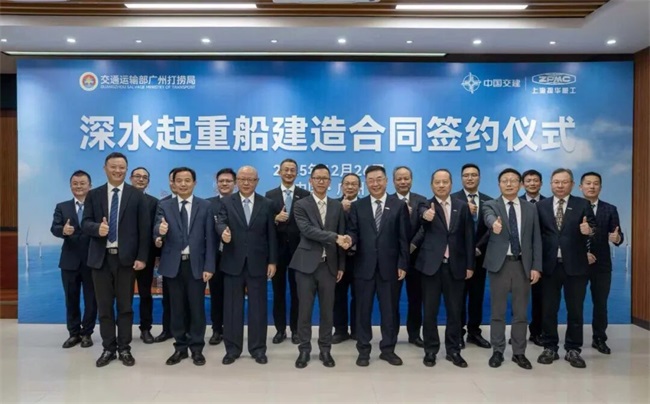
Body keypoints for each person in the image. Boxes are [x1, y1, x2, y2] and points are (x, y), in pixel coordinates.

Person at [82, 152, 150, 367]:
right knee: (104, 307)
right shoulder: (93, 195)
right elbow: (85, 223)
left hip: (126, 261)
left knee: (125, 307)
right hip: (100, 260)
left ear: (126, 170)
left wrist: (142, 257)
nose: (117, 171)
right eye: (113, 167)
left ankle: (125, 348)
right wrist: (97, 228)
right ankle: (108, 348)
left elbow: (144, 230)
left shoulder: (136, 195)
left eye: (121, 167)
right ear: (105, 168)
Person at [346, 165, 409, 367]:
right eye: (371, 180)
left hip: (390, 268)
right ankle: (363, 350)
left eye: (379, 179)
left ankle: (388, 350)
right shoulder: (358, 206)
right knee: (362, 311)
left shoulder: (398, 205)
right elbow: (353, 231)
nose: (375, 184)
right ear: (366, 183)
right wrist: (349, 240)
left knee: (390, 311)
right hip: (363, 267)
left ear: (386, 181)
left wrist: (403, 263)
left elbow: (403, 238)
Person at [154, 167, 216, 366]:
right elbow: (156, 229)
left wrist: (209, 266)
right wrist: (159, 231)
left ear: (194, 183)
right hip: (173, 265)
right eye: (179, 180)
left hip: (196, 265)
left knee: (197, 309)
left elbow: (211, 239)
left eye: (187, 180)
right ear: (173, 183)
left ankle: (197, 349)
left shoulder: (205, 206)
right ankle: (180, 348)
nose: (183, 184)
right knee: (177, 310)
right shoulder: (164, 205)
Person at [217, 166, 278, 365]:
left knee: (258, 309)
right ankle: (232, 349)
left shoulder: (267, 204)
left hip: (258, 263)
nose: (246, 182)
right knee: (232, 309)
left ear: (257, 181)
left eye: (250, 179)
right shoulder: (226, 202)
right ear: (237, 181)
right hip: (232, 262)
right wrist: (223, 231)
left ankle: (258, 349)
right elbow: (220, 222)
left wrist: (272, 261)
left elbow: (271, 235)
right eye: (242, 179)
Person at [536, 168, 596, 369]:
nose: (560, 185)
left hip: (576, 267)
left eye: (564, 182)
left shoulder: (582, 204)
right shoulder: (541, 206)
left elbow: (594, 228)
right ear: (550, 184)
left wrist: (589, 230)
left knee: (575, 310)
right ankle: (550, 347)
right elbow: (536, 236)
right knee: (548, 310)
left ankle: (573, 349)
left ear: (571, 184)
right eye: (556, 182)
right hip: (549, 267)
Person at [482, 168, 542, 370]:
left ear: (520, 184)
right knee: (497, 312)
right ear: (499, 184)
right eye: (504, 181)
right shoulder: (491, 204)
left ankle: (519, 353)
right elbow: (488, 216)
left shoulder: (530, 208)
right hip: (499, 266)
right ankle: (497, 350)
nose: (509, 184)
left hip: (522, 265)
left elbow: (536, 239)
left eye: (513, 180)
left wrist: (536, 267)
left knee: (520, 313)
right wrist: (494, 224)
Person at [416, 169, 474, 368]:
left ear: (451, 184)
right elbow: (420, 216)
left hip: (456, 267)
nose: (441, 185)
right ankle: (430, 350)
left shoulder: (462, 206)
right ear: (431, 185)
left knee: (455, 311)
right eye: (437, 182)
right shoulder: (425, 204)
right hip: (431, 268)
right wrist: (426, 215)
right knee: (429, 312)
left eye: (445, 182)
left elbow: (468, 237)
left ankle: (453, 350)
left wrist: (470, 265)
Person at [291, 164, 347, 369]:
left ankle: (325, 350)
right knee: (304, 311)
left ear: (330, 182)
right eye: (317, 178)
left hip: (329, 266)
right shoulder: (301, 204)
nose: (321, 181)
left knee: (327, 312)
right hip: (305, 266)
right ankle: (304, 350)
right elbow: (307, 230)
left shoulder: (336, 206)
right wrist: (335, 237)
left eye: (325, 178)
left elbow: (342, 235)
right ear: (311, 181)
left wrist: (341, 265)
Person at [265, 158, 310, 344]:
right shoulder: (270, 195)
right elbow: (264, 224)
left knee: (298, 293)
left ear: (297, 173)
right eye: (286, 170)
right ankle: (280, 329)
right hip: (278, 253)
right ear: (280, 172)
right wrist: (275, 219)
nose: (289, 173)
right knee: (278, 293)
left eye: (292, 170)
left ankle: (296, 330)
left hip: (300, 252)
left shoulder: (305, 195)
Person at [50, 170, 97, 349]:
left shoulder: (97, 206)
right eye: (75, 184)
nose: (78, 186)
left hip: (92, 261)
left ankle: (87, 333)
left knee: (91, 300)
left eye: (82, 183)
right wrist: (63, 230)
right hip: (69, 262)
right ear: (70, 186)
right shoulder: (62, 207)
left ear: (90, 186)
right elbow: (54, 228)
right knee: (71, 299)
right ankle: (73, 333)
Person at [579, 171, 624, 355]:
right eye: (588, 183)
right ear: (580, 187)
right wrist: (584, 253)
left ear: (600, 187)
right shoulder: (573, 207)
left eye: (595, 183)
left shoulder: (610, 209)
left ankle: (599, 339)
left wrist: (617, 238)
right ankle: (574, 340)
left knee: (600, 303)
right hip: (577, 263)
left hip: (602, 264)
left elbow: (618, 235)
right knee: (576, 303)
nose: (592, 186)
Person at [452, 163, 492, 349]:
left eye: (473, 175)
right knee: (458, 297)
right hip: (458, 257)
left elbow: (491, 230)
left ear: (479, 178)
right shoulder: (453, 200)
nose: (470, 178)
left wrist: (477, 247)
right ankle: (458, 333)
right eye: (466, 175)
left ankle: (474, 332)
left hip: (480, 256)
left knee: (477, 296)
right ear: (461, 178)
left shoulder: (489, 201)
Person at [392, 166, 426, 347]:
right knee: (392, 300)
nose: (403, 182)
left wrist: (412, 245)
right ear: (393, 181)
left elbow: (425, 226)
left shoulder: (421, 200)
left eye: (406, 178)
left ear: (411, 180)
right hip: (394, 259)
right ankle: (392, 335)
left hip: (416, 258)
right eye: (399, 179)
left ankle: (414, 334)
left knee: (416, 299)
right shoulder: (388, 201)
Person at [206, 167, 236, 346]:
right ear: (216, 184)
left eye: (228, 181)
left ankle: (232, 330)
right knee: (216, 294)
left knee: (233, 296)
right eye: (221, 181)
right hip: (215, 257)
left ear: (235, 183)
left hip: (236, 257)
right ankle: (217, 329)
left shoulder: (240, 203)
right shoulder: (207, 204)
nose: (224, 184)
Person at [129, 166, 158, 344]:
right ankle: (123, 330)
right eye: (137, 176)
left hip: (146, 256)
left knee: (146, 294)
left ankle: (145, 329)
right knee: (123, 295)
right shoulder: (121, 199)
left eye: (144, 177)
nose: (141, 179)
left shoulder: (154, 202)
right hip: (124, 257)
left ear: (148, 182)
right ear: (131, 178)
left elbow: (154, 230)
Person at [332, 173, 360, 343]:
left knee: (359, 296)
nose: (350, 187)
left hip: (359, 259)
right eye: (347, 184)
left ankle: (357, 330)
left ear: (359, 187)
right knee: (338, 296)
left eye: (354, 184)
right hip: (338, 259)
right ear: (341, 186)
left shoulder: (364, 205)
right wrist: (340, 211)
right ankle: (340, 330)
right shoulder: (333, 205)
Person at [519, 169, 546, 346]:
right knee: (518, 299)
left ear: (541, 183)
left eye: (535, 180)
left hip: (541, 257)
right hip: (519, 258)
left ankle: (537, 332)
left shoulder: (548, 203)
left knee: (540, 298)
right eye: (528, 181)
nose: (532, 183)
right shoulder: (516, 202)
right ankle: (517, 333)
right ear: (523, 184)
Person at [154, 168, 179, 343]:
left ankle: (186, 331)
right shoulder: (162, 204)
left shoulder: (197, 204)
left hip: (190, 259)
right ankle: (167, 330)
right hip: (169, 259)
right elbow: (156, 227)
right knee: (168, 299)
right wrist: (158, 237)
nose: (178, 183)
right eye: (173, 180)